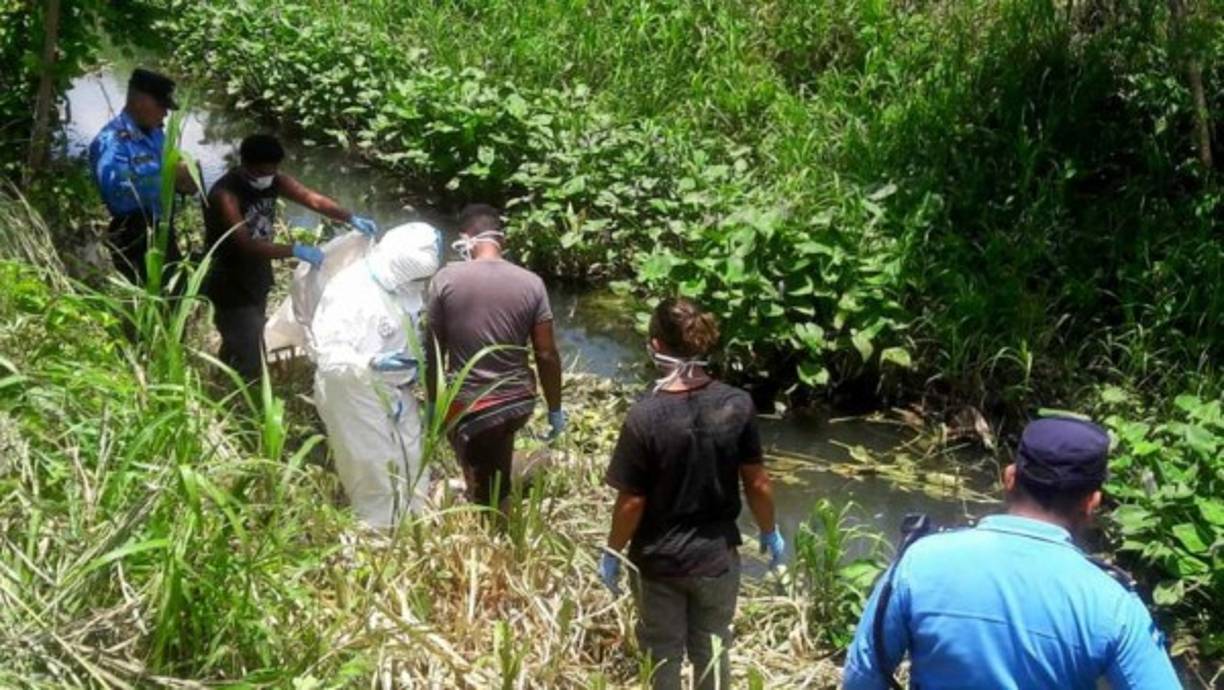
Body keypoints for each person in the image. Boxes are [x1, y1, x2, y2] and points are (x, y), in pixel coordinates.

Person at [842, 416, 1182, 690]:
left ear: (1009, 477)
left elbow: (863, 676)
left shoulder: (921, 561)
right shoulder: (1113, 604)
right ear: (1092, 503)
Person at [598, 297, 784, 690]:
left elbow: (632, 502)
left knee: (662, 652)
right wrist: (770, 532)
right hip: (716, 559)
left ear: (657, 347)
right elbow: (758, 483)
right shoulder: (736, 404)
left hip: (658, 563)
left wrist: (612, 552)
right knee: (713, 649)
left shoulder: (645, 416)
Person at [203, 133, 380, 381]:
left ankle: (225, 380)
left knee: (246, 337)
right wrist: (295, 250)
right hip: (229, 279)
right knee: (249, 345)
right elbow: (244, 244)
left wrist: (349, 217)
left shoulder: (274, 181)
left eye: (273, 171)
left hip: (256, 274)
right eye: (263, 173)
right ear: (245, 165)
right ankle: (245, 398)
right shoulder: (226, 194)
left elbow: (311, 199)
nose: (268, 177)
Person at [424, 203, 565, 512]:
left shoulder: (445, 280)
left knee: (485, 493)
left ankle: (495, 516)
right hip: (518, 403)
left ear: (465, 239)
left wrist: (434, 404)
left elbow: (433, 350)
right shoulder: (532, 283)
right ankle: (498, 480)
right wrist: (555, 408)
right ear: (503, 241)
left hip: (469, 407)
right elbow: (546, 353)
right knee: (492, 456)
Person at [308, 222, 441, 528]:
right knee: (370, 464)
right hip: (353, 392)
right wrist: (370, 362)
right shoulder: (349, 291)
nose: (420, 286)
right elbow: (327, 355)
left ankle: (413, 523)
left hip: (397, 388)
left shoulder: (402, 286)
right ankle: (378, 534)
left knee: (411, 455)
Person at [88, 68, 197, 287]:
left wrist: (186, 179)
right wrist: (170, 176)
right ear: (140, 101)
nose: (165, 114)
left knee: (174, 293)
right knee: (144, 298)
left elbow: (183, 179)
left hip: (162, 229)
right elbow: (119, 196)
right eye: (161, 107)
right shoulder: (113, 142)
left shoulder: (156, 133)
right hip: (134, 236)